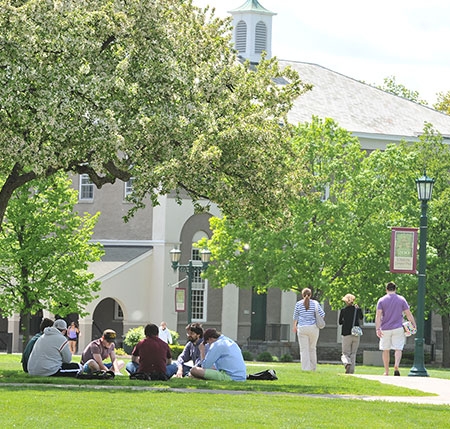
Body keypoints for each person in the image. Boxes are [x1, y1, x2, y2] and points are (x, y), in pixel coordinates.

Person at [376, 281, 416, 376]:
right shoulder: (401, 299)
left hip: (385, 328)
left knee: (386, 349)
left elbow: (378, 316)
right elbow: (408, 314)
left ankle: (386, 371)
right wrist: (413, 324)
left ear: (386, 289)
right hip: (398, 327)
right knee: (398, 348)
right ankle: (396, 365)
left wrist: (377, 328)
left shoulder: (381, 300)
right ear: (395, 289)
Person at [292, 288, 325, 371]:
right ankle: (313, 368)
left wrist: (295, 326)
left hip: (302, 328)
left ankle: (305, 368)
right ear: (310, 295)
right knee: (312, 348)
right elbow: (322, 314)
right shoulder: (315, 303)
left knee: (304, 349)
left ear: (302, 295)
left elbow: (295, 317)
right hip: (313, 328)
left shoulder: (298, 304)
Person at [339, 294, 363, 374]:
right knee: (353, 353)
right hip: (356, 333)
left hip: (346, 333)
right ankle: (351, 371)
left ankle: (347, 363)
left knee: (345, 353)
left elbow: (340, 322)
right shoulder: (357, 309)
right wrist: (358, 308)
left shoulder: (343, 310)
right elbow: (361, 317)